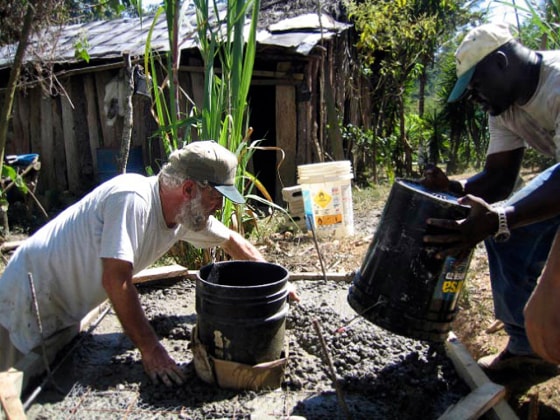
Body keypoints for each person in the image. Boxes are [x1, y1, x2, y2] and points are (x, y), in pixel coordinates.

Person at [0, 140, 268, 386]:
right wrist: (151, 349)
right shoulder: (132, 199)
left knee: (46, 372)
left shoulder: (184, 215)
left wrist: (273, 283)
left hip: (65, 308)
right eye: (215, 197)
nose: (218, 207)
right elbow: (116, 281)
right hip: (26, 297)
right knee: (9, 383)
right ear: (188, 189)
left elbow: (231, 240)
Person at [421, 23, 560, 370]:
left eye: (476, 85)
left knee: (504, 223)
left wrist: (499, 217)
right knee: (506, 233)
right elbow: (498, 179)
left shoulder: (557, 83)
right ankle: (527, 353)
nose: (474, 97)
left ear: (500, 62)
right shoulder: (503, 107)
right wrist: (453, 188)